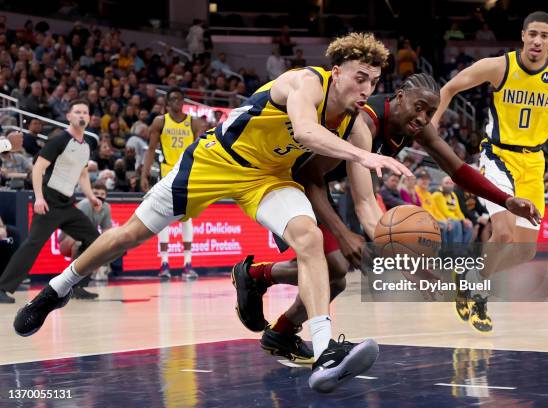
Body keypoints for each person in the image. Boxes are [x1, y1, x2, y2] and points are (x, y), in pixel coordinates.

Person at [14, 33, 410, 393]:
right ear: (337, 72)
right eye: (360, 77)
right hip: (217, 160)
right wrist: (364, 155)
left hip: (268, 179)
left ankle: (325, 352)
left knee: (308, 237)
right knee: (131, 234)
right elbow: (305, 132)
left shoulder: (356, 126)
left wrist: (390, 242)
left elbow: (362, 201)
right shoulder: (305, 82)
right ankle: (57, 290)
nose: (366, 89)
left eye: (374, 82)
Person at [232, 73, 539, 362]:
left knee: (336, 278)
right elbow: (309, 175)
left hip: (320, 184)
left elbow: (457, 169)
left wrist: (507, 200)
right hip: (289, 180)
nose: (422, 118)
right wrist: (343, 234)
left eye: (430, 113)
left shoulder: (415, 126)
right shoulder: (364, 123)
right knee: (336, 268)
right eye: (418, 108)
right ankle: (258, 279)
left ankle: (279, 328)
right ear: (400, 96)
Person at [431, 11, 548, 332]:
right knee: (503, 233)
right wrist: (433, 124)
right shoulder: (499, 66)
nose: (537, 40)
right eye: (531, 34)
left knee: (525, 250)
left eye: (543, 36)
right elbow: (448, 88)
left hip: (533, 163)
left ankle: (469, 276)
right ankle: (479, 296)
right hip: (497, 156)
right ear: (523, 36)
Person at [0, 100, 101, 303]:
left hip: (67, 204)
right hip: (48, 201)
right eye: (77, 112)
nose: (81, 115)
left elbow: (82, 175)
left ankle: (77, 285)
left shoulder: (86, 145)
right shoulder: (59, 140)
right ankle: (2, 287)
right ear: (69, 117)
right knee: (33, 244)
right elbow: (37, 168)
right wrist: (38, 197)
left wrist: (90, 196)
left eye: (85, 112)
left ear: (89, 118)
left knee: (95, 240)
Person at [141, 88, 206, 280]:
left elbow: (199, 152)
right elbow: (151, 149)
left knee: (186, 217)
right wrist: (144, 174)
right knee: (164, 217)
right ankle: (164, 264)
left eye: (180, 99)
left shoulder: (193, 122)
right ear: (167, 104)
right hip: (166, 173)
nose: (177, 102)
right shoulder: (160, 121)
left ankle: (187, 264)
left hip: (187, 173)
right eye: (173, 99)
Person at [58, 183, 113, 281]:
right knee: (80, 243)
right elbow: (80, 233)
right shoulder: (84, 205)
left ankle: (101, 271)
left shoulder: (106, 207)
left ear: (106, 196)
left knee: (108, 241)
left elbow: (106, 232)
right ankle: (73, 275)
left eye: (102, 194)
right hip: (67, 240)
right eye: (95, 193)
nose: (99, 196)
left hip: (87, 237)